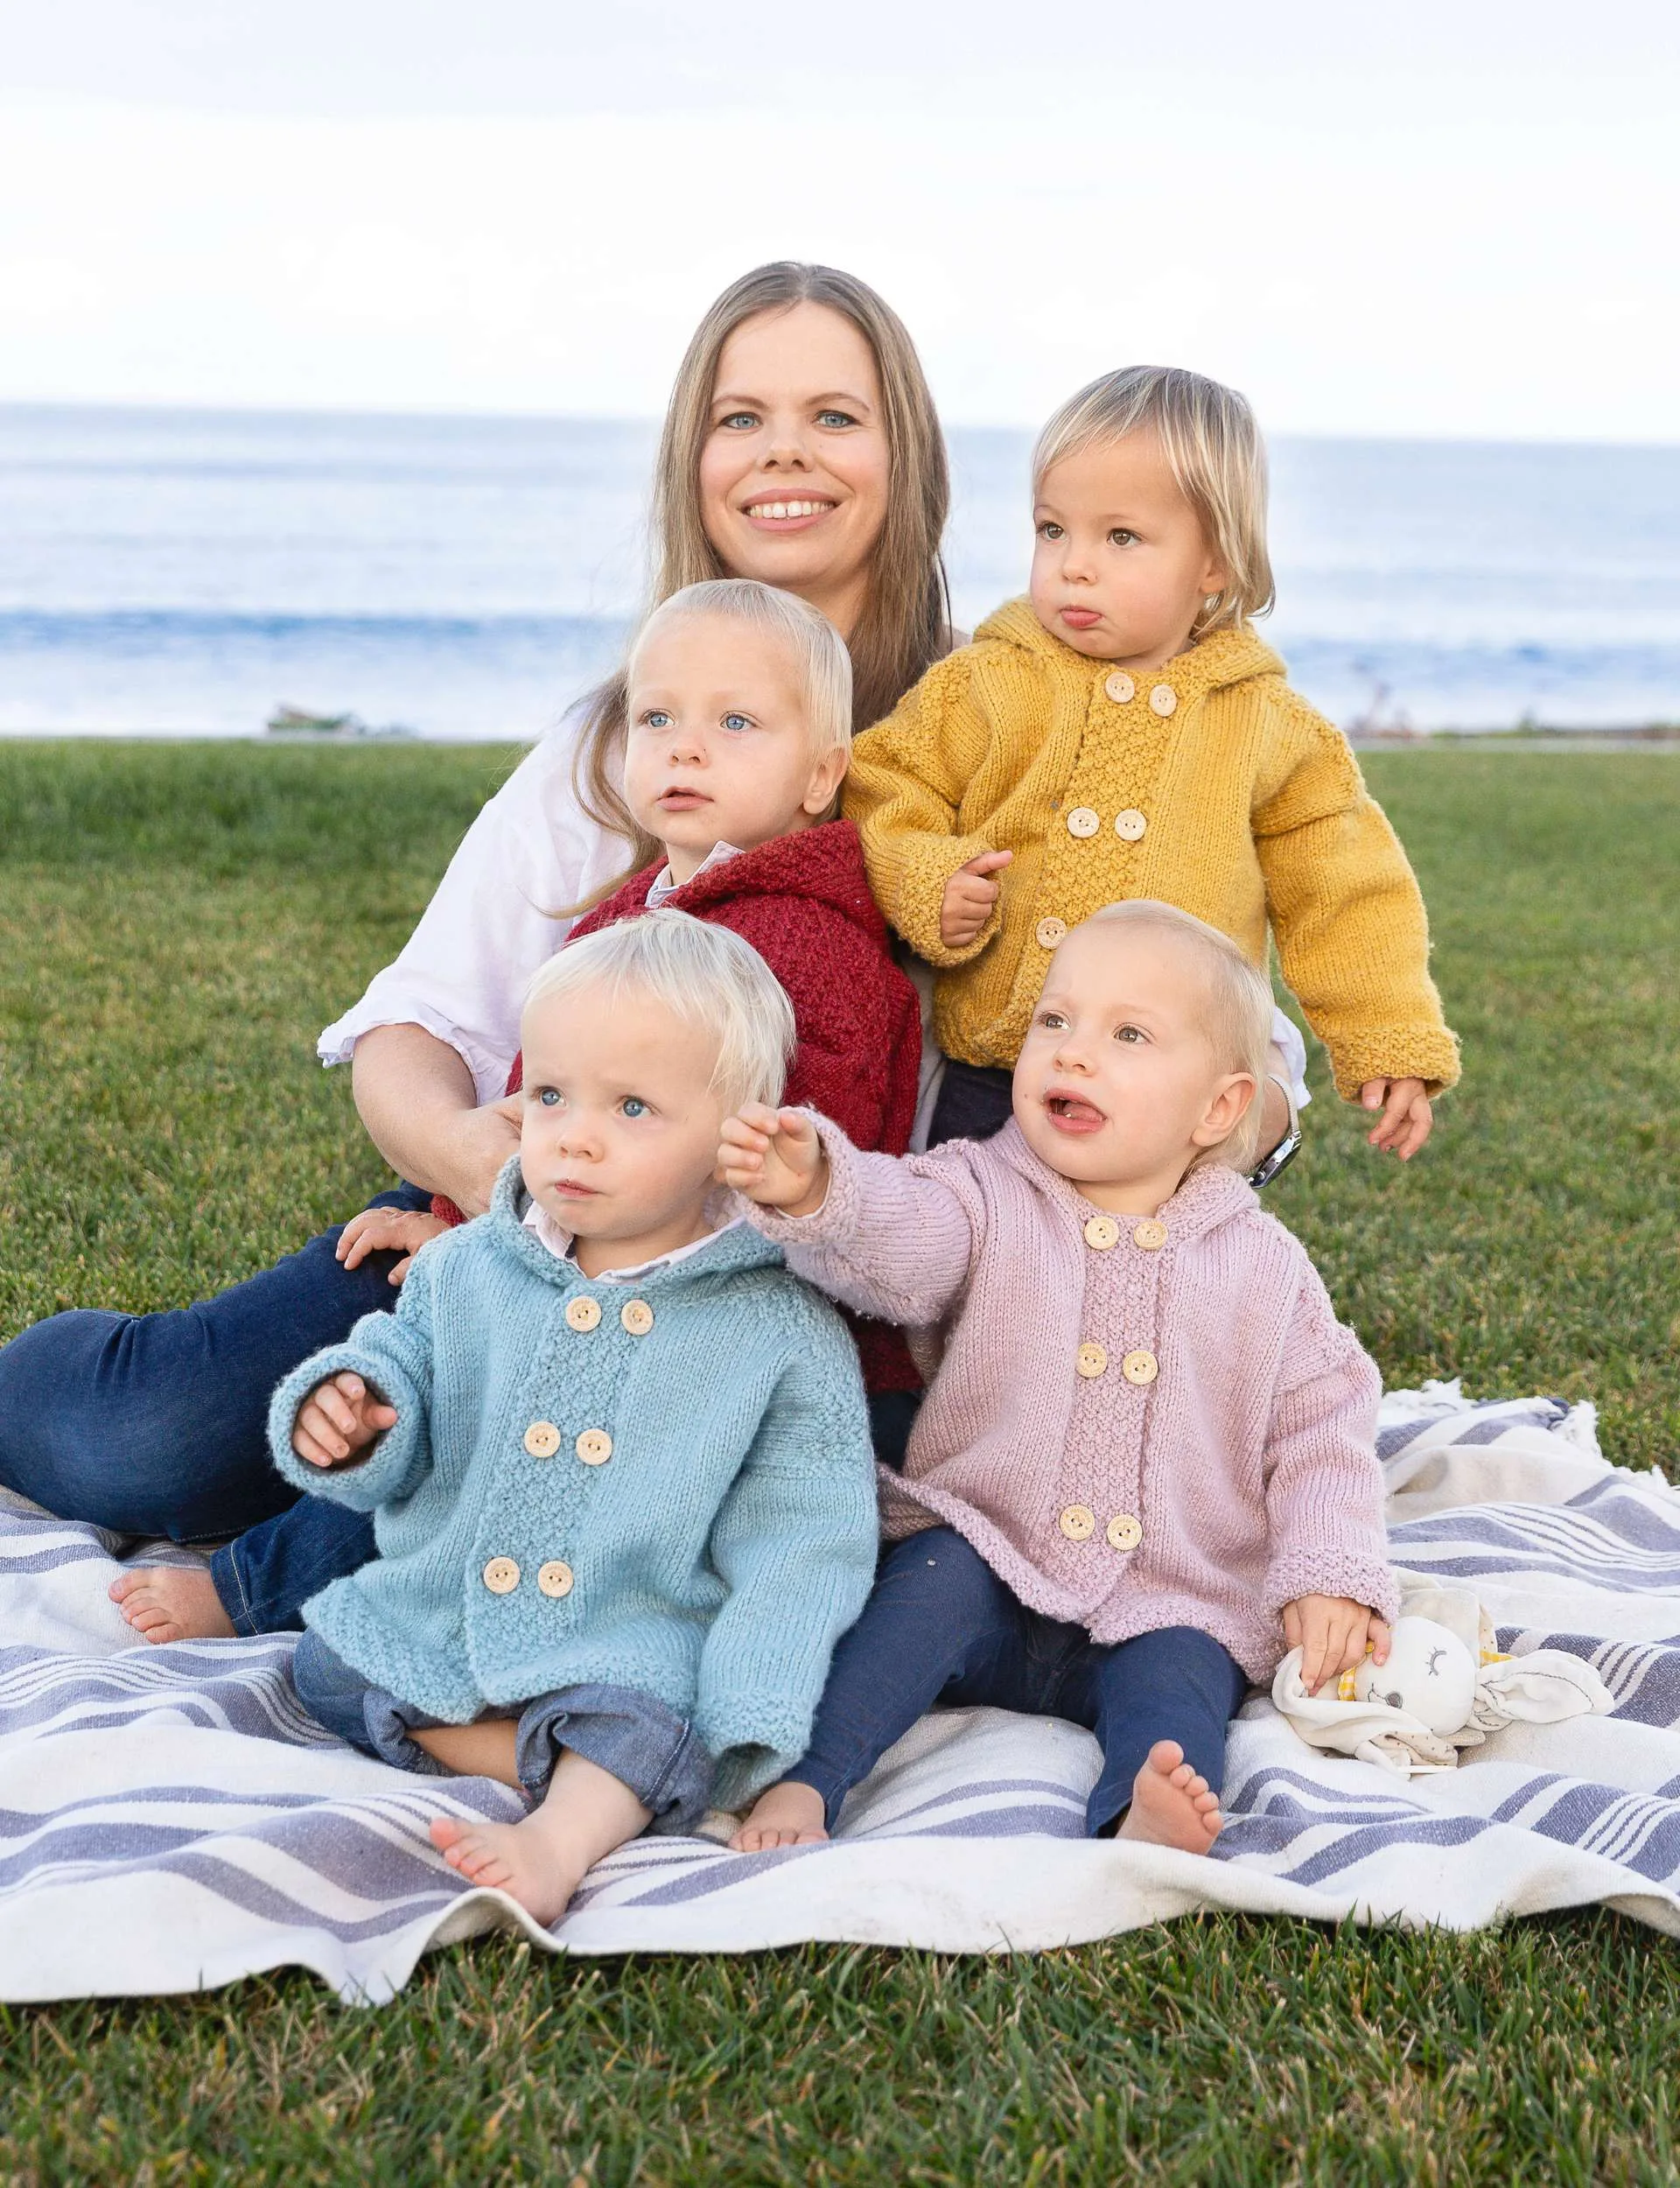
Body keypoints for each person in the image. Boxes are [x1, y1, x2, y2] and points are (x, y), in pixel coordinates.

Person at [0, 260, 954, 1639]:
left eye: (834, 417)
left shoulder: (995, 728)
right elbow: (414, 1031)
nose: (784, 454)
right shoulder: (613, 744)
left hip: (818, 1295)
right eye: (741, 418)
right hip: (527, 1211)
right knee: (134, 1448)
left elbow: (1220, 1044)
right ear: (695, 459)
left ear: (903, 453)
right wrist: (474, 1179)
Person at [108, 576, 924, 1643]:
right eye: (658, 717)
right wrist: (468, 1215)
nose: (684, 747)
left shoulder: (812, 945)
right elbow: (550, 1110)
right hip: (616, 1276)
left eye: (735, 723)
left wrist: (524, 1243)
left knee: (493, 1417)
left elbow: (790, 1177)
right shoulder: (635, 912)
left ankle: (257, 1586)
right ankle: (357, 1535)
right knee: (445, 1377)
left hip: (738, 1338)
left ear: (822, 773)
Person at [719, 901, 1400, 1854]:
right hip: (988, 1556)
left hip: (1167, 1591)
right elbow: (902, 1237)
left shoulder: (1263, 1267)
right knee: (911, 1607)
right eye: (1055, 1021)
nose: (1074, 1054)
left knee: (1182, 1680)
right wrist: (822, 1189)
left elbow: (1323, 1428)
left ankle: (1145, 1807)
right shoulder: (984, 1193)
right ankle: (808, 1777)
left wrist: (1329, 1572)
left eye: (1128, 1035)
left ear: (1219, 1107)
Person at [275, 911, 878, 1923]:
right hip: (451, 1611)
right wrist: (356, 1415)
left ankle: (559, 1837)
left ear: (736, 1134)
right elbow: (402, 1375)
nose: (576, 1135)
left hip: (623, 1636)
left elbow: (806, 1540)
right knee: (327, 1659)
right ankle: (528, 1758)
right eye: (550, 1095)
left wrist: (747, 1712)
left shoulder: (777, 1327)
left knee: (643, 1726)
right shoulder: (470, 1263)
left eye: (633, 1106)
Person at [843, 365, 1460, 1156]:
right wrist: (926, 877)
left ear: (1215, 565)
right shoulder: (991, 683)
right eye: (1052, 530)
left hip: (1176, 1090)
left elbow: (1344, 889)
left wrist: (1388, 1033)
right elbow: (883, 786)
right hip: (1002, 1070)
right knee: (964, 1256)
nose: (1074, 564)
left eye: (1121, 537)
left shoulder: (1265, 724)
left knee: (1163, 1263)